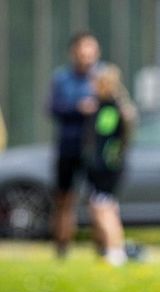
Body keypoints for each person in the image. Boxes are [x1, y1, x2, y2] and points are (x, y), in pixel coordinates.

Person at [48, 31, 101, 258]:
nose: (86, 56)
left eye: (90, 51)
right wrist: (77, 108)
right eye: (82, 51)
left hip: (95, 148)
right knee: (64, 199)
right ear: (74, 53)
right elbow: (53, 108)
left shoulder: (103, 76)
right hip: (68, 146)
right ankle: (61, 248)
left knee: (98, 200)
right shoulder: (61, 78)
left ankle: (104, 249)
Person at [85, 64, 137, 266]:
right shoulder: (115, 106)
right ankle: (113, 249)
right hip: (110, 166)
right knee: (109, 208)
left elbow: (104, 140)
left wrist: (97, 164)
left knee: (103, 209)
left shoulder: (109, 108)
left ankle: (114, 251)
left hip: (107, 168)